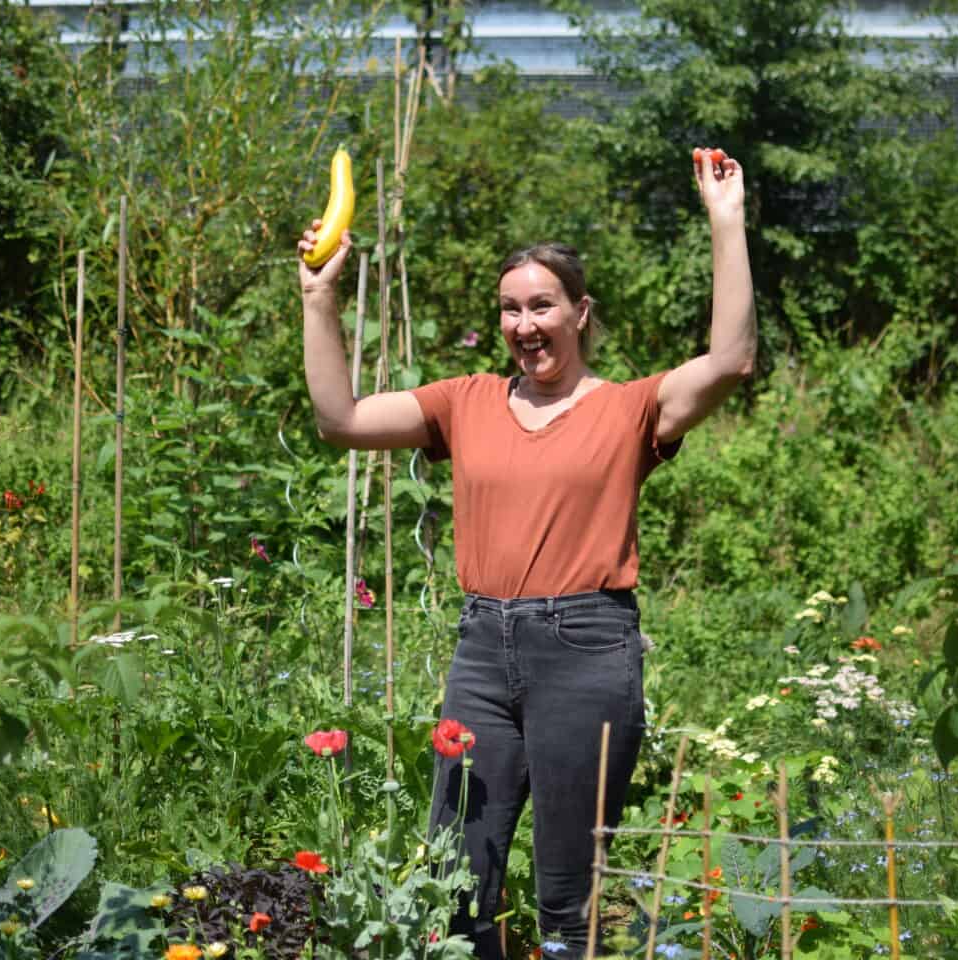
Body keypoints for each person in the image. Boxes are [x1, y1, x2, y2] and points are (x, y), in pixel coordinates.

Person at [297, 147, 755, 959]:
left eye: (542, 306)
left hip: (586, 649)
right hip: (481, 651)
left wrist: (726, 220)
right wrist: (318, 298)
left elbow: (730, 361)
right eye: (510, 309)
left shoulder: (628, 409)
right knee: (456, 876)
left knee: (567, 895)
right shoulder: (464, 403)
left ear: (580, 313)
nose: (524, 325)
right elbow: (342, 419)